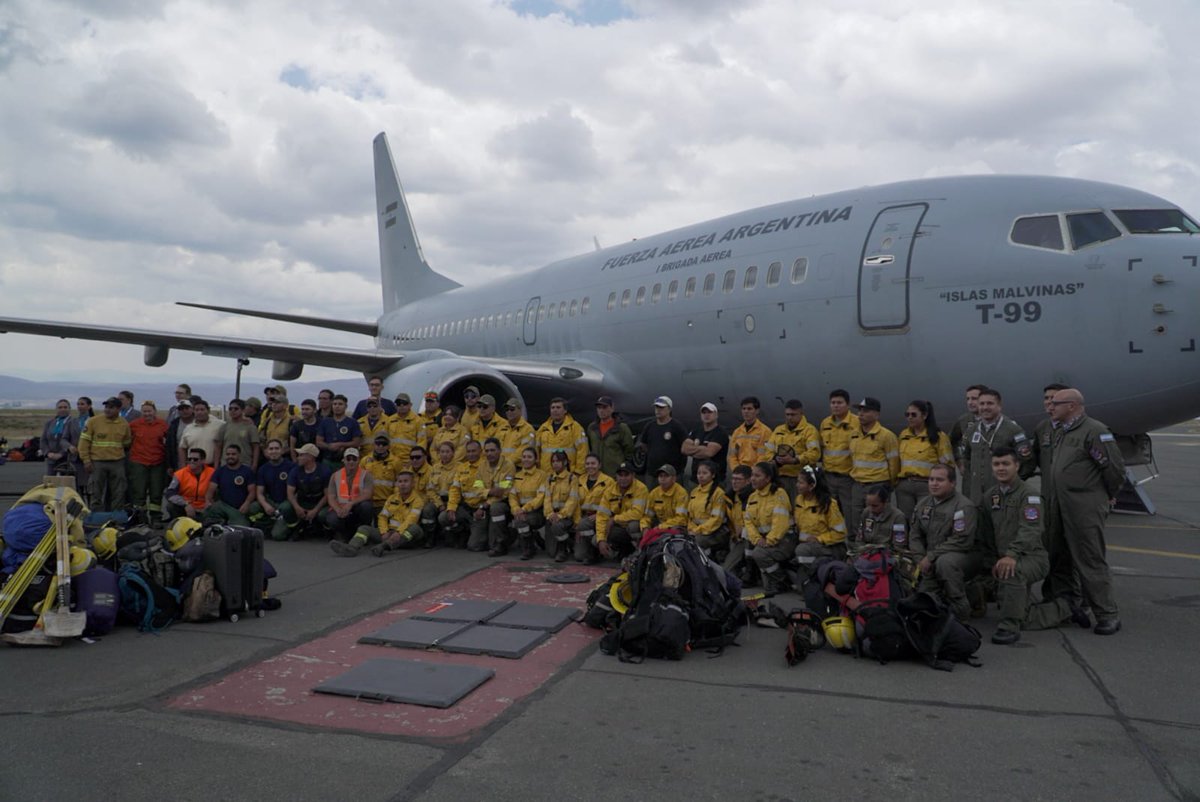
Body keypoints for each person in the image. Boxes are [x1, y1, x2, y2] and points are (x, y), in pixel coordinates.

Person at [1044, 388, 1126, 635]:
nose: (1050, 407)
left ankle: (1107, 614)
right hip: (1060, 505)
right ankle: (1068, 606)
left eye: (1056, 403)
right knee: (1059, 557)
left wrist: (1104, 497)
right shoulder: (1062, 430)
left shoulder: (1094, 431)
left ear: (1072, 406)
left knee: (1090, 559)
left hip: (1083, 507)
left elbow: (1114, 470)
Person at [976, 446, 1056, 644]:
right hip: (1003, 558)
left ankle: (1009, 626)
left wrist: (1011, 555)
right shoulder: (990, 497)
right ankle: (1061, 608)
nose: (1001, 468)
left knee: (1012, 573)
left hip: (1031, 557)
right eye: (996, 464)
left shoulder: (1029, 495)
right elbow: (986, 534)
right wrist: (989, 563)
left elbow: (1031, 530)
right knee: (1020, 610)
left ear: (1017, 466)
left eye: (1006, 464)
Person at [909, 463, 978, 622]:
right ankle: (973, 593)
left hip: (963, 556)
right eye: (931, 479)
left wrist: (931, 556)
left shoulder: (963, 506)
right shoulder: (923, 505)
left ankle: (961, 609)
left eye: (940, 480)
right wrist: (920, 559)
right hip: (930, 558)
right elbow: (914, 535)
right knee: (923, 600)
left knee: (945, 564)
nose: (934, 483)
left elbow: (961, 541)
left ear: (952, 483)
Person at [960, 388, 1034, 504]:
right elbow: (967, 459)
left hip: (1004, 494)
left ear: (999, 406)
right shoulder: (971, 431)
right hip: (977, 496)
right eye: (982, 404)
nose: (985, 407)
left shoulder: (1012, 430)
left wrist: (1013, 483)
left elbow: (1027, 461)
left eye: (990, 403)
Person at [847, 397, 899, 534]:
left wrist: (890, 485)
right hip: (858, 485)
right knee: (856, 521)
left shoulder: (887, 436)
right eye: (860, 410)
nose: (861, 414)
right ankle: (857, 550)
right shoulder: (854, 435)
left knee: (879, 521)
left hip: (877, 485)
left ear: (877, 414)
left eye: (866, 411)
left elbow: (893, 464)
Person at [895, 399, 954, 518]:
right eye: (907, 415)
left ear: (925, 415)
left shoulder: (938, 437)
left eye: (913, 414)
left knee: (926, 519)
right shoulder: (904, 435)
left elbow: (948, 464)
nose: (909, 418)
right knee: (906, 520)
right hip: (905, 485)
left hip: (926, 486)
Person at [744, 462, 794, 593]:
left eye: (757, 475)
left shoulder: (779, 494)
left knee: (759, 553)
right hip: (763, 540)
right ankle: (754, 576)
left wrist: (769, 541)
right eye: (752, 475)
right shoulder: (753, 496)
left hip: (783, 539)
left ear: (768, 478)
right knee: (747, 539)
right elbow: (748, 521)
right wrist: (756, 539)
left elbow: (780, 524)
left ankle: (781, 580)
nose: (752, 479)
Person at [792, 465, 847, 584]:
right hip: (807, 546)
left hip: (829, 547)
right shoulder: (799, 500)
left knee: (801, 551)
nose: (797, 485)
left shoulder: (829, 504)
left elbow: (840, 533)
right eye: (797, 482)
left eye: (801, 483)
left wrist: (819, 539)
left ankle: (819, 574)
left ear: (812, 486)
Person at [78, 396, 132, 511]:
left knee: (119, 491)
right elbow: (83, 442)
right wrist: (86, 460)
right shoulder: (93, 421)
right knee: (95, 491)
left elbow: (127, 442)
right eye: (106, 407)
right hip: (97, 462)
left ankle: (116, 516)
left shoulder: (124, 424)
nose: (107, 409)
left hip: (117, 463)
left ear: (118, 409)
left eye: (111, 407)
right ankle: (95, 516)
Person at [819, 389, 860, 535]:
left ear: (847, 405)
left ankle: (851, 543)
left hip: (847, 478)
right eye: (833, 403)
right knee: (830, 511)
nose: (836, 406)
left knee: (849, 514)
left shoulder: (856, 423)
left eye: (839, 403)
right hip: (829, 476)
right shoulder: (825, 423)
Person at [766, 399, 821, 499]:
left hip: (800, 479)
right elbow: (768, 450)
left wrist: (795, 460)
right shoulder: (779, 430)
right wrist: (774, 461)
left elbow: (814, 454)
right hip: (781, 478)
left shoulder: (809, 431)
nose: (789, 418)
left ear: (801, 414)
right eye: (787, 415)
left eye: (793, 415)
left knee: (799, 508)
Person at [370, 470, 430, 554]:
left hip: (406, 537)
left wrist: (399, 532)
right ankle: (351, 548)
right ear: (397, 483)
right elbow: (383, 516)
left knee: (415, 528)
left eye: (406, 481)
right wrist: (384, 532)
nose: (402, 484)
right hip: (389, 533)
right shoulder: (392, 498)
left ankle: (383, 546)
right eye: (400, 481)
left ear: (413, 484)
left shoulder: (418, 500)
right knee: (364, 529)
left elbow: (411, 519)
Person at [128, 400, 168, 524]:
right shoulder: (134, 425)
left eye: (149, 411)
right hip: (138, 462)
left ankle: (156, 517)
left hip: (157, 463)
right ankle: (140, 518)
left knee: (156, 491)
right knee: (139, 491)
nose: (147, 414)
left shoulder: (163, 425)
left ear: (154, 412)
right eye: (144, 411)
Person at [324, 447, 375, 543]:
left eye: (354, 459)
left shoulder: (366, 475)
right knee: (332, 518)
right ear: (343, 460)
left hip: (357, 507)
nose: (351, 462)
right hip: (341, 508)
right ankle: (345, 535)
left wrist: (351, 504)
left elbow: (368, 494)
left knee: (366, 506)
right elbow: (331, 497)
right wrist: (337, 509)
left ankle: (364, 533)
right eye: (348, 459)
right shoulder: (335, 476)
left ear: (359, 460)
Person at [634, 396, 687, 484]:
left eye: (661, 408)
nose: (658, 410)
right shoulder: (650, 426)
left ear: (669, 409)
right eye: (656, 407)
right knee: (652, 496)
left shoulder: (677, 426)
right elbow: (644, 445)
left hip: (672, 473)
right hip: (653, 473)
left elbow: (685, 444)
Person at [573, 453, 615, 563]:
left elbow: (612, 504)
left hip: (600, 517)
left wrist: (598, 515)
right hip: (584, 517)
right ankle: (584, 546)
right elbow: (575, 503)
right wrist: (577, 520)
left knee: (584, 525)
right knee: (579, 556)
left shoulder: (608, 481)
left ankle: (594, 551)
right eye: (587, 464)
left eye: (593, 463)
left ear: (599, 465)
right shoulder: (580, 480)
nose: (590, 466)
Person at [602, 462, 648, 560]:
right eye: (620, 475)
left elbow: (637, 513)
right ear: (616, 476)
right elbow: (601, 515)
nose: (623, 478)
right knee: (596, 540)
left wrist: (614, 519)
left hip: (635, 525)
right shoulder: (610, 490)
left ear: (633, 475)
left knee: (633, 526)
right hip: (619, 527)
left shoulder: (641, 488)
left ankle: (640, 552)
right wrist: (601, 540)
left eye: (626, 475)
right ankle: (623, 551)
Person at [848, 484, 908, 558]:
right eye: (868, 505)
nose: (871, 509)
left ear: (885, 502)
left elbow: (899, 546)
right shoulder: (866, 513)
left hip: (887, 557)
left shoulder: (898, 517)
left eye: (875, 506)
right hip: (865, 554)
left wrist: (877, 552)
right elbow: (859, 539)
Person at [286, 443, 332, 539]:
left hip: (319, 502)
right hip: (302, 502)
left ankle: (326, 531)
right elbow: (290, 493)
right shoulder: (295, 471)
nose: (298, 458)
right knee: (286, 508)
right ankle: (297, 528)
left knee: (323, 514)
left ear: (310, 457)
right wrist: (297, 507)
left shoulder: (324, 471)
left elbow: (327, 495)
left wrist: (315, 510)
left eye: (301, 455)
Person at [509, 446, 547, 560]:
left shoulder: (542, 475)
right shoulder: (517, 476)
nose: (526, 459)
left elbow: (540, 497)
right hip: (520, 511)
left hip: (537, 512)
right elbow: (512, 496)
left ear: (536, 460)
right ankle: (531, 541)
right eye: (524, 457)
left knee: (521, 521)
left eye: (529, 457)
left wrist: (524, 509)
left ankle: (529, 547)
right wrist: (516, 509)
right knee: (520, 520)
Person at [1031, 383, 1070, 495]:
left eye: (1053, 398)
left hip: (1073, 496)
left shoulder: (1082, 428)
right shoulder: (1042, 428)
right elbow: (1038, 457)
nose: (1048, 401)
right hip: (1049, 493)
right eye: (1046, 398)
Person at [685, 460, 730, 558]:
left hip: (714, 531)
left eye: (705, 473)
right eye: (699, 473)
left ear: (713, 475)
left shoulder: (718, 493)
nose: (701, 476)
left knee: (697, 541)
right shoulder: (694, 492)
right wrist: (691, 528)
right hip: (695, 530)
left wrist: (698, 530)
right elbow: (690, 516)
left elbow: (716, 519)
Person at [204, 445, 258, 525]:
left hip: (241, 507)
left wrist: (247, 503)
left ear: (239, 455)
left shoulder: (247, 471)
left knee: (242, 525)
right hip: (223, 506)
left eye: (233, 454)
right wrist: (208, 501)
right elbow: (210, 490)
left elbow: (252, 491)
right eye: (228, 454)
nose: (230, 456)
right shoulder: (220, 471)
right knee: (207, 513)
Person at [255, 439, 297, 541]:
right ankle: (270, 524)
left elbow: (298, 490)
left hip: (287, 503)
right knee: (253, 508)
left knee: (278, 536)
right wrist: (266, 505)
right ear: (266, 452)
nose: (274, 451)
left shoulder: (291, 466)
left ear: (282, 450)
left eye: (277, 448)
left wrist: (292, 503)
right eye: (271, 449)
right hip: (272, 502)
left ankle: (295, 528)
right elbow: (259, 492)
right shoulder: (263, 469)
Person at [542, 450, 580, 562]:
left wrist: (560, 515)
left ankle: (563, 550)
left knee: (557, 527)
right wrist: (550, 514)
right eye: (553, 461)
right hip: (552, 516)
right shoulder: (549, 479)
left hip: (566, 518)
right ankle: (567, 543)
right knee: (550, 553)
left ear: (565, 462)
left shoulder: (572, 478)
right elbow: (547, 499)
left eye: (558, 461)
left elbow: (572, 501)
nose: (555, 463)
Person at [586, 396, 635, 477]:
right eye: (599, 408)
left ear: (612, 408)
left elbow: (629, 451)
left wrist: (624, 470)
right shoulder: (592, 428)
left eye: (605, 407)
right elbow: (590, 448)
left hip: (615, 474)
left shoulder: (621, 428)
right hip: (597, 475)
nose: (601, 410)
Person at [682, 402, 729, 486]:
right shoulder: (696, 431)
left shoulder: (720, 433)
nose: (706, 415)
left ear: (716, 415)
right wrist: (702, 448)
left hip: (715, 481)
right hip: (695, 480)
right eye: (704, 412)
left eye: (710, 412)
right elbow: (684, 449)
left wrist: (693, 451)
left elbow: (709, 453)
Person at [536, 397, 588, 474]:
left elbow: (582, 451)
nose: (555, 410)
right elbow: (536, 450)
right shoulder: (543, 428)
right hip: (545, 474)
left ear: (565, 410)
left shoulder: (575, 428)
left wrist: (578, 472)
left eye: (558, 407)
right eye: (552, 408)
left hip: (567, 474)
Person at [162, 448, 215, 521]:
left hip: (206, 508)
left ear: (203, 461)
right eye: (189, 459)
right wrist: (186, 504)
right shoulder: (180, 474)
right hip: (186, 508)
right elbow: (170, 493)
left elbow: (220, 491)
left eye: (195, 459)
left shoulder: (212, 473)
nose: (191, 461)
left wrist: (211, 503)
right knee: (171, 506)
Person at [722, 464, 755, 580]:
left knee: (725, 570)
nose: (734, 482)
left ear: (748, 481)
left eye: (738, 479)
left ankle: (750, 573)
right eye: (733, 478)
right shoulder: (730, 496)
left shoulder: (752, 497)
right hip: (734, 536)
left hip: (747, 538)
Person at [425, 441, 459, 547]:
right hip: (438, 500)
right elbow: (430, 489)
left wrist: (448, 506)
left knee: (444, 517)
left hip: (452, 500)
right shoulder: (435, 467)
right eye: (442, 452)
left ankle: (452, 535)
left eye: (447, 451)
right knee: (427, 510)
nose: (444, 454)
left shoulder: (460, 467)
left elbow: (457, 490)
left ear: (453, 453)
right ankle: (430, 537)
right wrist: (439, 504)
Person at [728, 396, 772, 477]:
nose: (746, 411)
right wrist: (737, 470)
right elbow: (732, 455)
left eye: (749, 409)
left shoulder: (765, 431)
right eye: (744, 409)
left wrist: (753, 472)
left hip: (755, 474)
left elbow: (764, 456)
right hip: (740, 474)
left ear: (757, 411)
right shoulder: (737, 432)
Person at [40, 399, 81, 478]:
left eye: (65, 407)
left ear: (69, 409)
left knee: (64, 485)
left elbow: (74, 441)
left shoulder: (74, 422)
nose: (63, 409)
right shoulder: (50, 423)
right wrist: (48, 453)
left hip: (67, 459)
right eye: (60, 407)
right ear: (56, 409)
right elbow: (43, 440)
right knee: (50, 483)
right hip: (51, 459)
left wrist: (61, 454)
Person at [318, 394, 362, 467]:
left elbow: (356, 442)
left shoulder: (353, 422)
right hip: (327, 461)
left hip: (346, 462)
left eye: (340, 404)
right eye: (335, 404)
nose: (337, 406)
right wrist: (329, 446)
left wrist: (341, 444)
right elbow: (319, 442)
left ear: (346, 406)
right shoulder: (325, 422)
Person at [178, 399, 225, 467]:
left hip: (212, 466)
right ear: (193, 411)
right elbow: (182, 448)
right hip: (193, 466)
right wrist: (183, 466)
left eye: (202, 409)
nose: (199, 412)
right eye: (197, 410)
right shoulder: (188, 428)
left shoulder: (219, 425)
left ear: (208, 410)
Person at [360, 434, 399, 512]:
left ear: (388, 446)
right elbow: (358, 481)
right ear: (374, 445)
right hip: (369, 501)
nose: (381, 446)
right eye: (378, 443)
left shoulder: (396, 462)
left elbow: (398, 482)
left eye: (384, 444)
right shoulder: (365, 460)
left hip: (387, 502)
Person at [386, 393, 427, 467]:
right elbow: (385, 441)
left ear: (410, 405)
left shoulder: (418, 421)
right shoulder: (389, 420)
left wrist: (414, 460)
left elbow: (422, 443)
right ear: (395, 406)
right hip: (392, 462)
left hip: (411, 462)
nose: (401, 406)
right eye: (398, 404)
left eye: (404, 403)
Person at [644, 464, 689, 531]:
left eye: (666, 476)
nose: (663, 479)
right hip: (660, 526)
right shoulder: (654, 493)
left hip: (677, 527)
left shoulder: (681, 493)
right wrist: (645, 527)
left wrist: (662, 527)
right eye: (660, 476)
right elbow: (647, 516)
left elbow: (681, 519)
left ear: (674, 479)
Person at [220, 399, 261, 470]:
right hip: (226, 464)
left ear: (243, 410)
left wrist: (254, 465)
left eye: (236, 409)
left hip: (245, 464)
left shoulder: (251, 427)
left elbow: (256, 447)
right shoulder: (224, 427)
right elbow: (218, 446)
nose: (233, 411)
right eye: (230, 409)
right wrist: (217, 464)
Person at [949, 383, 987, 459]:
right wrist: (958, 459)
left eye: (974, 398)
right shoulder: (963, 420)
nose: (970, 402)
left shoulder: (999, 421)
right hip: (970, 467)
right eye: (968, 399)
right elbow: (950, 441)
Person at [499, 398, 536, 465]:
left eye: (512, 409)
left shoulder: (527, 429)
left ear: (520, 410)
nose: (509, 412)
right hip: (501, 467)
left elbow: (524, 449)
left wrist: (507, 462)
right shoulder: (502, 427)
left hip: (518, 468)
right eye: (507, 410)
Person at [164, 397, 193, 473]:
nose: (184, 411)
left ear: (192, 409)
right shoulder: (174, 424)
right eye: (181, 409)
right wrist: (169, 465)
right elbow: (169, 446)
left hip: (197, 460)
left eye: (187, 408)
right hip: (179, 462)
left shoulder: (199, 422)